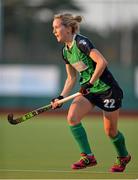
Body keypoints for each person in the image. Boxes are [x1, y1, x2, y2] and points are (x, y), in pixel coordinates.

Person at [51, 13, 131, 172]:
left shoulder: (81, 42)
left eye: (56, 27)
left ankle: (123, 156)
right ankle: (88, 156)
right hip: (89, 91)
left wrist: (90, 83)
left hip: (107, 90)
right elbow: (71, 78)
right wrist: (61, 97)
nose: (54, 31)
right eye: (53, 28)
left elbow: (102, 62)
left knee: (111, 132)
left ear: (68, 28)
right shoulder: (65, 52)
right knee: (72, 117)